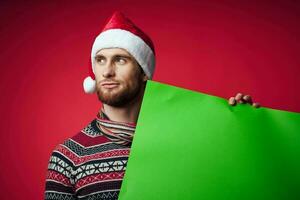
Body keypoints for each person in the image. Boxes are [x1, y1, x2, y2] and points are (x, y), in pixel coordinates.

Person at [44, 11, 259, 200]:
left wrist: (243, 128)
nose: (107, 71)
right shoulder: (68, 156)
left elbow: (236, 182)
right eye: (100, 60)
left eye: (120, 60)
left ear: (144, 72)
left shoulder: (185, 139)